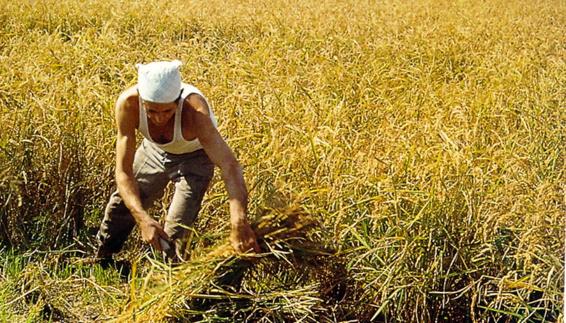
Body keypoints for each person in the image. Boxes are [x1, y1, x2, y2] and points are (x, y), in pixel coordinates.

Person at [96, 60, 260, 262]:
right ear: (142, 101)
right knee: (120, 206)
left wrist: (239, 222)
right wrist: (142, 218)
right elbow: (123, 172)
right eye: (152, 111)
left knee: (177, 229)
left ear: (177, 101)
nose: (158, 118)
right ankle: (102, 259)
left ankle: (168, 280)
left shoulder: (195, 112)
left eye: (167, 111)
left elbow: (230, 166)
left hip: (195, 159)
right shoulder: (128, 105)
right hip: (154, 150)